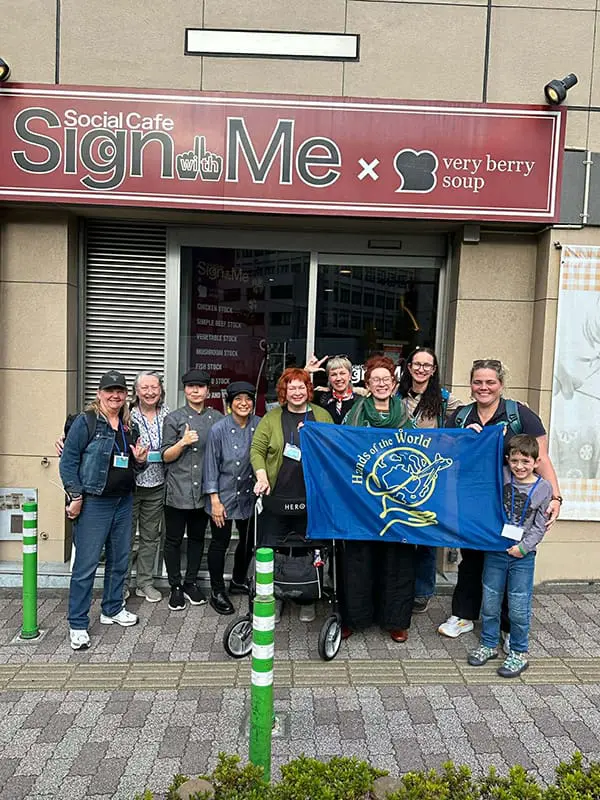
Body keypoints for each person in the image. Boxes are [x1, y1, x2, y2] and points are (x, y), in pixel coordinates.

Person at [438, 358, 562, 640]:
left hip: (512, 504)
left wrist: (555, 496)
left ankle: (507, 625)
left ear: (501, 385)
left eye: (490, 382)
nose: (484, 387)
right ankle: (465, 614)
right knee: (470, 557)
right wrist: (462, 439)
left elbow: (540, 459)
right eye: (478, 382)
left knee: (508, 557)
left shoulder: (520, 415)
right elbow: (444, 454)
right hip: (471, 501)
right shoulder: (460, 416)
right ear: (470, 385)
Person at [59, 370, 148, 650]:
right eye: (110, 390)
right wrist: (75, 495)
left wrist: (141, 462)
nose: (115, 395)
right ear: (99, 394)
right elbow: (68, 461)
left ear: (125, 396)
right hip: (94, 502)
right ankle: (77, 624)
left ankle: (111, 609)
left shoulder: (128, 426)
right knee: (85, 566)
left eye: (120, 391)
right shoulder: (86, 422)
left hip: (123, 501)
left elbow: (132, 464)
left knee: (120, 560)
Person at [341, 355, 417, 643]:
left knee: (397, 560)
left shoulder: (405, 415)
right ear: (368, 384)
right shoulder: (355, 412)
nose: (381, 384)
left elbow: (420, 449)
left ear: (394, 384)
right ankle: (354, 617)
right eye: (376, 380)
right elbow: (340, 445)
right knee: (359, 560)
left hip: (397, 499)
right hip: (362, 498)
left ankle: (395, 620)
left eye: (387, 379)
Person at [251, 368, 333, 622]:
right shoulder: (272, 417)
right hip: (277, 497)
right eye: (291, 388)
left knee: (309, 550)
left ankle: (307, 597)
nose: (296, 392)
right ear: (284, 392)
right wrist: (262, 476)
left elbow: (332, 451)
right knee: (273, 549)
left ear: (308, 390)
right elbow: (257, 449)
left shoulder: (322, 416)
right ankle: (273, 597)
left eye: (301, 387)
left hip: (311, 498)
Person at [467, 434, 552, 677]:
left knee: (518, 606)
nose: (520, 466)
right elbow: (481, 459)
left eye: (526, 461)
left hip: (523, 557)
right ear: (507, 461)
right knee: (491, 602)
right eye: (514, 461)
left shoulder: (543, 487)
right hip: (496, 551)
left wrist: (524, 547)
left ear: (536, 462)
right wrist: (479, 435)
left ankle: (518, 651)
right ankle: (488, 643)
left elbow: (539, 525)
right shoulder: (501, 476)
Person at [397, 346, 462, 615]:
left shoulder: (446, 401)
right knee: (398, 533)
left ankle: (422, 591)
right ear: (409, 367)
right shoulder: (395, 396)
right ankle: (399, 587)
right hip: (399, 475)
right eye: (417, 364)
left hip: (431, 479)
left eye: (427, 365)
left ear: (433, 370)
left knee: (425, 536)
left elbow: (471, 416)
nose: (421, 369)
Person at [161, 369, 223, 611]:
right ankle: (175, 586)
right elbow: (165, 456)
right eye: (190, 386)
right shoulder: (174, 418)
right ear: (184, 390)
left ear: (208, 390)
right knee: (174, 539)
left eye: (200, 386)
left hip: (204, 489)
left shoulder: (217, 418)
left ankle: (190, 582)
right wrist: (183, 442)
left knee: (198, 538)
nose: (195, 391)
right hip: (178, 488)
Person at [203, 381, 261, 615]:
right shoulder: (218, 429)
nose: (243, 403)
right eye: (238, 399)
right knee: (220, 543)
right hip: (223, 496)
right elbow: (210, 466)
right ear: (229, 404)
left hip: (249, 496)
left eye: (248, 399)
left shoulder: (259, 425)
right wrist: (214, 500)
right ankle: (217, 591)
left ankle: (237, 580)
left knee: (247, 543)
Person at [126, 370, 170, 603]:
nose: (150, 392)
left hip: (157, 484)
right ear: (136, 391)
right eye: (145, 388)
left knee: (150, 537)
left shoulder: (169, 415)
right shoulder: (127, 416)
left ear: (160, 390)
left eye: (154, 387)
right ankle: (121, 583)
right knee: (123, 537)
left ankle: (145, 582)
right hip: (130, 486)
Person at [305, 354, 361, 424]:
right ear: (329, 378)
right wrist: (305, 372)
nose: (338, 378)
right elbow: (295, 394)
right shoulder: (320, 398)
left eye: (342, 373)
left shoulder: (360, 401)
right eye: (333, 374)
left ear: (350, 376)